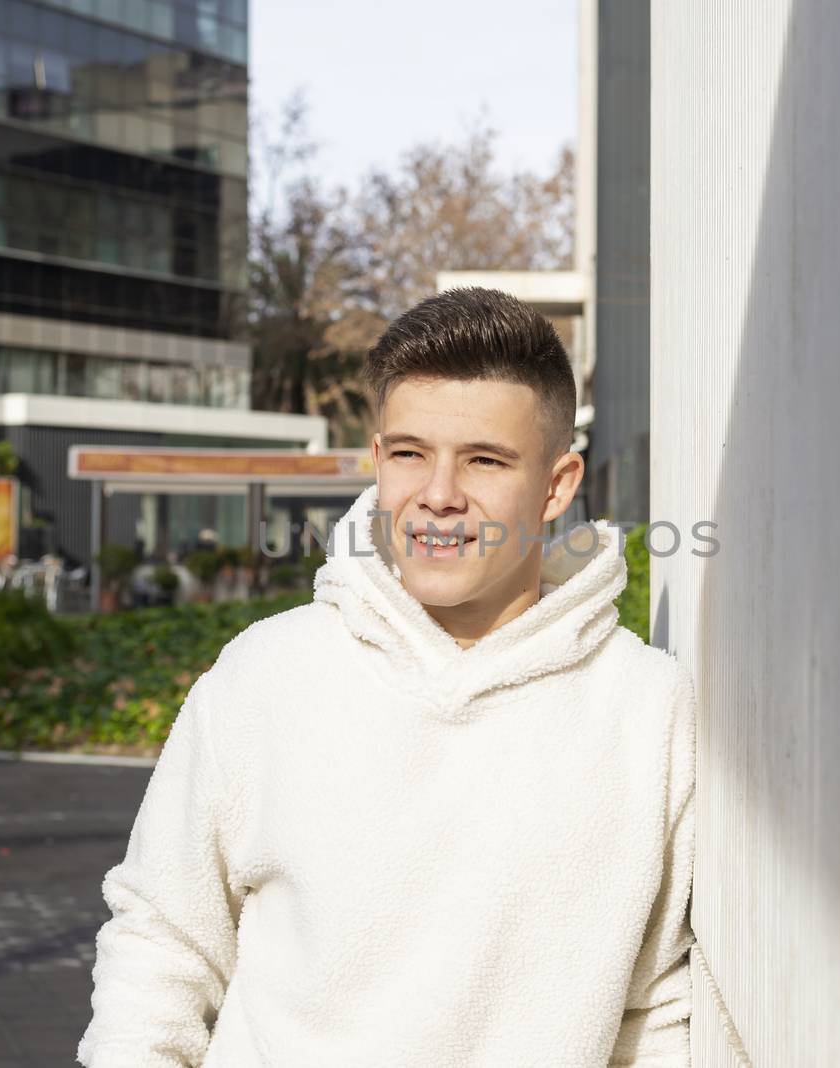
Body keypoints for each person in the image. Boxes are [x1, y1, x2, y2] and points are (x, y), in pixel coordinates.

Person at [77, 287, 698, 1067]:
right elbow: (161, 942)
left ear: (557, 486)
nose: (437, 496)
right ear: (377, 461)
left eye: (484, 460)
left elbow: (659, 1014)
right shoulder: (268, 676)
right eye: (410, 453)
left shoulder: (646, 710)